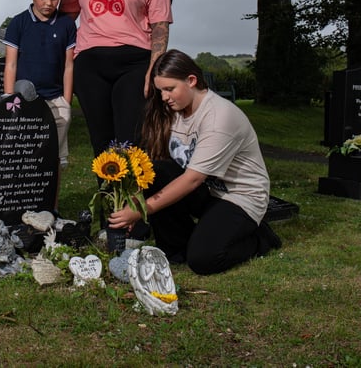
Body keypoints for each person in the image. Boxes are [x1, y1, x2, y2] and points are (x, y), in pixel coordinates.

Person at [108, 50, 282, 275]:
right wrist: (134, 201)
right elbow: (162, 171)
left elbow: (192, 179)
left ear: (191, 80)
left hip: (239, 197)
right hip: (207, 191)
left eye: (170, 89)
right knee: (158, 171)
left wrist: (141, 210)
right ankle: (176, 249)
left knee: (203, 260)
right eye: (160, 90)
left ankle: (260, 239)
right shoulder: (176, 110)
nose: (164, 97)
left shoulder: (219, 117)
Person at [60, 0, 173, 157]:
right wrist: (64, 66)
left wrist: (153, 70)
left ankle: (130, 197)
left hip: (135, 64)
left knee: (130, 142)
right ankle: (107, 197)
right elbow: (66, 20)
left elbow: (160, 28)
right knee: (101, 142)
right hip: (89, 63)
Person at [3, 0, 76, 170]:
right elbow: (11, 63)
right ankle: (25, 198)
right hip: (23, 100)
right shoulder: (18, 23)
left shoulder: (67, 25)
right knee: (25, 153)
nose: (48, 3)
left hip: (56, 97)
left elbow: (69, 66)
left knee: (55, 159)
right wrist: (9, 98)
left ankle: (51, 202)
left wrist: (67, 101)